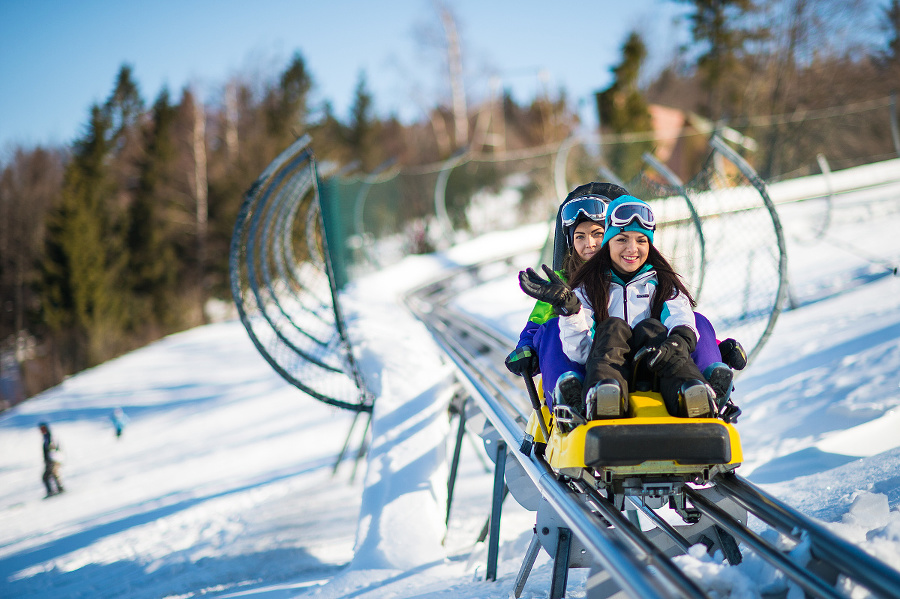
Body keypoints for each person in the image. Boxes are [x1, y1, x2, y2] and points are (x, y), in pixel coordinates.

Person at [507, 183, 745, 416]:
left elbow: (680, 318)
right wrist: (530, 345)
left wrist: (715, 346)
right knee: (563, 327)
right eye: (580, 237)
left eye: (597, 234)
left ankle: (705, 389)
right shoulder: (567, 284)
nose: (589, 244)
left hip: (654, 357)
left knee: (693, 321)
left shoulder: (655, 279)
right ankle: (571, 393)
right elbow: (540, 327)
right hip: (591, 359)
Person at [39, 422, 64, 497]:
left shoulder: (50, 437)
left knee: (46, 476)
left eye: (43, 428)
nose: (41, 430)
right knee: (53, 474)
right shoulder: (46, 437)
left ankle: (53, 491)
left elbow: (53, 448)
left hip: (53, 460)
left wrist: (52, 458)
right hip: (51, 460)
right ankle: (59, 489)